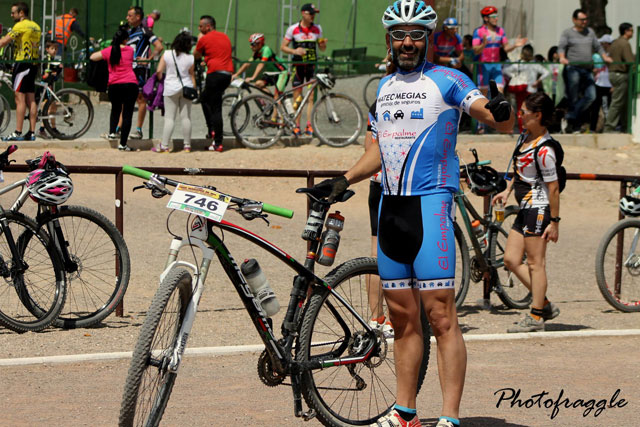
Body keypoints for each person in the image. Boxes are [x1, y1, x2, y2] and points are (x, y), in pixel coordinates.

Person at [313, 2, 515, 426]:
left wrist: (500, 112)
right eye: (400, 34)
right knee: (401, 318)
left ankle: (450, 417)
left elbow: (485, 111)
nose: (408, 42)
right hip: (391, 208)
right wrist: (343, 180)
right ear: (390, 40)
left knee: (441, 315)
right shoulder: (384, 87)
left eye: (417, 34)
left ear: (428, 39)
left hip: (431, 205)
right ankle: (405, 412)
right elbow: (377, 150)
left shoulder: (448, 79)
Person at [492, 92, 561, 333]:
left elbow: (553, 188)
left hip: (539, 209)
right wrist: (507, 191)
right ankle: (543, 303)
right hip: (525, 209)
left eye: (523, 112)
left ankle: (536, 315)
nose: (520, 115)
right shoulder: (526, 138)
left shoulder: (544, 150)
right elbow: (519, 171)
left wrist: (555, 221)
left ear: (538, 115)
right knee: (511, 259)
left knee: (535, 263)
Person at [558, 8, 612, 133]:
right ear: (574, 20)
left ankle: (570, 117)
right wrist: (562, 57)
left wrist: (604, 57)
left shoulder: (590, 32)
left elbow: (598, 46)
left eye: (586, 19)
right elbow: (561, 47)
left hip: (587, 69)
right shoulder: (567, 33)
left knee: (591, 96)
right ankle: (574, 126)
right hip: (573, 68)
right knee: (573, 98)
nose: (584, 22)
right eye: (582, 19)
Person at [280, 3, 327, 137]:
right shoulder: (293, 29)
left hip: (312, 67)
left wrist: (323, 45)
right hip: (298, 67)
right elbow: (283, 47)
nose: (313, 16)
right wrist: (294, 50)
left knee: (311, 97)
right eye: (311, 14)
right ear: (303, 13)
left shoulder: (317, 29)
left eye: (314, 14)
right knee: (298, 97)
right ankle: (296, 126)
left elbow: (322, 48)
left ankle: (309, 125)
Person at [90, 25, 138, 151]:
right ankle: (123, 144)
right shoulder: (130, 50)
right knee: (127, 114)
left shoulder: (109, 50)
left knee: (115, 109)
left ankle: (112, 132)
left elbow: (93, 57)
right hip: (130, 83)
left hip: (114, 84)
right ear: (125, 39)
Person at [0, 2, 41, 141]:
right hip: (33, 64)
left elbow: (4, 41)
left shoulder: (20, 26)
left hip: (22, 63)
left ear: (21, 13)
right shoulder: (36, 26)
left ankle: (17, 132)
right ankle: (32, 132)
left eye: (13, 13)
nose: (11, 15)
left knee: (19, 98)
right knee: (31, 98)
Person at [194, 15, 234, 152]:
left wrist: (200, 41)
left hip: (214, 74)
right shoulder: (225, 36)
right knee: (205, 99)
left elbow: (196, 55)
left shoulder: (204, 38)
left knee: (215, 107)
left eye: (201, 26)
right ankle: (212, 130)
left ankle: (218, 141)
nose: (199, 28)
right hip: (227, 74)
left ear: (208, 26)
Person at [152, 31, 196, 153]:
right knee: (186, 117)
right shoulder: (190, 57)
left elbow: (159, 71)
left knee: (170, 118)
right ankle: (187, 145)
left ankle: (164, 145)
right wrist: (194, 88)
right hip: (187, 87)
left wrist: (162, 80)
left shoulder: (167, 54)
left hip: (171, 87)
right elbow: (192, 75)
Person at [125, 6, 164, 140]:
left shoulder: (145, 31)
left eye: (130, 15)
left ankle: (138, 130)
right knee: (124, 99)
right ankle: (118, 129)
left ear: (138, 17)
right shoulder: (129, 32)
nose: (127, 18)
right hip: (128, 69)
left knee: (141, 99)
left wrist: (148, 59)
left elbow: (159, 46)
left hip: (140, 70)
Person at [472, 6, 527, 93]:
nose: (496, 19)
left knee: (499, 92)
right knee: (483, 93)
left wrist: (515, 45)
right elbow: (475, 50)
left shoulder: (500, 30)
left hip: (497, 66)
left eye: (497, 16)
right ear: (486, 18)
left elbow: (506, 48)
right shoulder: (478, 31)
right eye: (493, 17)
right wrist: (483, 45)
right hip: (483, 66)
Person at [502, 44, 550, 132]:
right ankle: (532, 130)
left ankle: (522, 130)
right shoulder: (535, 64)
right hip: (532, 90)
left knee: (521, 111)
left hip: (521, 90)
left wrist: (514, 76)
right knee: (532, 112)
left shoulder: (519, 63)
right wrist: (538, 81)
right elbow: (546, 72)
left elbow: (505, 70)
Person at [231, 33, 289, 101]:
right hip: (272, 73)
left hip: (282, 73)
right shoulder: (257, 52)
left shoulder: (266, 49)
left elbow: (261, 64)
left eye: (253, 44)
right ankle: (272, 101)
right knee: (258, 84)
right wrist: (236, 74)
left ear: (260, 44)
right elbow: (247, 64)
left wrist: (253, 77)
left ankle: (276, 103)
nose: (251, 46)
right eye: (251, 44)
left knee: (277, 98)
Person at [604, 23, 635, 133]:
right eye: (631, 30)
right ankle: (609, 128)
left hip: (613, 74)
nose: (633, 33)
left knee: (622, 102)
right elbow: (630, 61)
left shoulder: (615, 42)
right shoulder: (624, 43)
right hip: (621, 74)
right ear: (626, 31)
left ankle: (624, 126)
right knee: (617, 102)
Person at [37, 39, 63, 139]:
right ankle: (43, 129)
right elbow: (46, 74)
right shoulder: (48, 60)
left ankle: (52, 128)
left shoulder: (53, 59)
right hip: (47, 85)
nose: (54, 51)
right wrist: (56, 71)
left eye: (56, 49)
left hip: (49, 85)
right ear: (47, 49)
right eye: (52, 48)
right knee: (49, 107)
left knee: (52, 107)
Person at [590, 34, 613, 133]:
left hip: (609, 84)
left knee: (609, 107)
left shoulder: (612, 55)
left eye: (603, 43)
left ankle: (609, 128)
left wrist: (614, 85)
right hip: (598, 83)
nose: (601, 45)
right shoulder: (596, 56)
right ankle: (592, 128)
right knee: (595, 107)